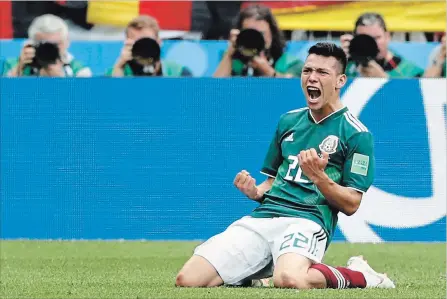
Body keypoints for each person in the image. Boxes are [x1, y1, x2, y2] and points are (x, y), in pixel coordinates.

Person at [175, 42, 396, 290]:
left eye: (322, 73)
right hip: (265, 217)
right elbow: (271, 182)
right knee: (188, 280)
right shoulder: (288, 121)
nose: (312, 78)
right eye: (307, 71)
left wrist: (319, 177)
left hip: (308, 220)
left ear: (340, 80)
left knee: (290, 279)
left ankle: (361, 275)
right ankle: (257, 273)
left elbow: (351, 204)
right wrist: (255, 192)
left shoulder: (356, 134)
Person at [213, 4, 303, 78]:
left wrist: (268, 71)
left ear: (273, 34)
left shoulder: (290, 63)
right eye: (250, 33)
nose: (255, 39)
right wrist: (230, 53)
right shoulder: (232, 61)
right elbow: (214, 90)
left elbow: (292, 91)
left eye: (261, 33)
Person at [2, 14, 91, 77]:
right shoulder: (11, 65)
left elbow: (82, 101)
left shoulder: (79, 70)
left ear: (67, 42)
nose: (49, 49)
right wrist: (19, 69)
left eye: (55, 44)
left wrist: (61, 79)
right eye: (44, 44)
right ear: (31, 43)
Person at [340, 12, 423, 78]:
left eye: (376, 38)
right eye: (365, 39)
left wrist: (383, 79)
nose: (371, 44)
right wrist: (338, 62)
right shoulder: (346, 67)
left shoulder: (409, 71)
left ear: (387, 37)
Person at [107, 15, 192, 77]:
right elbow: (108, 98)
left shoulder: (178, 73)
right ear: (127, 44)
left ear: (159, 43)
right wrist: (119, 68)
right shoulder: (114, 73)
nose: (142, 48)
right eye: (137, 43)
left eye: (147, 42)